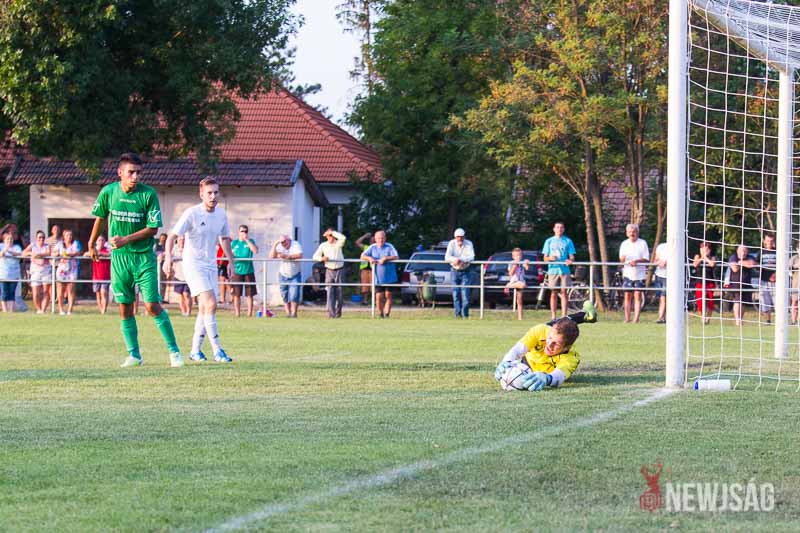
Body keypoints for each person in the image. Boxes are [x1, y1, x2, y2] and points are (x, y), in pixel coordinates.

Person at [88, 152, 183, 368]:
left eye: (139, 172)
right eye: (131, 172)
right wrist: (91, 243)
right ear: (120, 172)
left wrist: (125, 239)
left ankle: (174, 352)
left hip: (143, 258)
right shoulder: (108, 192)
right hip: (120, 259)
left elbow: (153, 228)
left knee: (152, 306)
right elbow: (100, 218)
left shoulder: (148, 194)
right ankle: (134, 355)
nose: (135, 177)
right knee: (125, 307)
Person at [164, 177, 235, 364]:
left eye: (216, 192)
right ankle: (217, 350)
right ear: (201, 194)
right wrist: (168, 257)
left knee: (205, 307)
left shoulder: (221, 214)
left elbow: (224, 239)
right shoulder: (192, 213)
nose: (213, 196)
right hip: (193, 264)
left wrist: (231, 261)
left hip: (210, 265)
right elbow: (172, 237)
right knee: (211, 303)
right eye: (209, 193)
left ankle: (195, 350)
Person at [493, 301, 597, 391]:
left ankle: (585, 315)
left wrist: (547, 378)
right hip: (527, 362)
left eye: (556, 344)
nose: (549, 345)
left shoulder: (571, 357)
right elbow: (517, 350)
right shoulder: (541, 331)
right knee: (554, 324)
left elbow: (559, 376)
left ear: (567, 347)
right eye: (549, 338)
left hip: (545, 372)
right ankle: (583, 314)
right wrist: (506, 362)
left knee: (563, 326)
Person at [360, 230, 399, 318]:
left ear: (385, 238)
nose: (380, 240)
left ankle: (387, 314)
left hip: (390, 277)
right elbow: (362, 256)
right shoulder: (372, 247)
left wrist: (386, 258)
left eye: (382, 238)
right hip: (377, 278)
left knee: (388, 295)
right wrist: (369, 258)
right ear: (375, 239)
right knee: (378, 296)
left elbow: (396, 256)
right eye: (378, 238)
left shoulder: (389, 246)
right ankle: (380, 314)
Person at [542, 222, 576, 320]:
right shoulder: (549, 241)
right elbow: (545, 258)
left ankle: (564, 315)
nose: (559, 229)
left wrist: (570, 260)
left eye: (561, 227)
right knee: (553, 292)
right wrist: (550, 258)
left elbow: (572, 256)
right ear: (554, 229)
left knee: (564, 292)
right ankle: (553, 316)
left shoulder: (568, 241)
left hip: (564, 270)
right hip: (553, 270)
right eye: (557, 227)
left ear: (563, 229)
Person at [312, 228, 347, 318]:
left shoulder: (338, 243)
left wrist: (332, 232)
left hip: (339, 270)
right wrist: (321, 258)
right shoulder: (323, 245)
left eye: (331, 235)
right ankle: (331, 314)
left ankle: (338, 313)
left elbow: (343, 238)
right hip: (329, 270)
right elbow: (315, 256)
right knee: (330, 292)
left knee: (339, 292)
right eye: (328, 235)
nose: (330, 237)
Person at [619, 223, 649, 323]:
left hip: (639, 274)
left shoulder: (643, 243)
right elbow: (621, 259)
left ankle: (636, 319)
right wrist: (623, 260)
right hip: (628, 274)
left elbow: (646, 259)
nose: (632, 234)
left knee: (638, 295)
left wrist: (636, 261)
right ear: (627, 233)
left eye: (634, 232)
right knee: (627, 296)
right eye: (630, 232)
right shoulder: (624, 244)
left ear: (637, 232)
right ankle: (627, 318)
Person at [270, 234, 303, 317]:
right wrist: (275, 244)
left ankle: (294, 313)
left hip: (295, 274)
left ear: (288, 240)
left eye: (284, 241)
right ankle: (288, 313)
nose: (283, 244)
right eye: (281, 242)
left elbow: (300, 255)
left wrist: (288, 257)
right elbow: (271, 256)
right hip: (283, 274)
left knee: (294, 294)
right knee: (284, 294)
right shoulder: (279, 246)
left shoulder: (295, 244)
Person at [445, 228, 475, 318]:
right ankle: (458, 315)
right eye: (458, 237)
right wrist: (455, 260)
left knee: (465, 294)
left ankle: (465, 315)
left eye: (461, 237)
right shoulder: (451, 243)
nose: (460, 239)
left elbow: (472, 256)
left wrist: (462, 260)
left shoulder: (469, 243)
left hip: (466, 271)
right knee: (456, 294)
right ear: (455, 237)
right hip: (454, 271)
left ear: (464, 237)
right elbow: (447, 257)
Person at [230, 225, 259, 317]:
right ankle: (237, 314)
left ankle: (249, 314)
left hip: (248, 270)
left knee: (249, 294)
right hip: (237, 270)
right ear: (238, 232)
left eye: (246, 231)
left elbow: (255, 251)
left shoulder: (251, 241)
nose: (244, 233)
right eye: (242, 231)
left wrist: (247, 240)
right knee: (236, 294)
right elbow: (229, 255)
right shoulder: (234, 243)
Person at [726, 244, 756, 327]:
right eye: (741, 251)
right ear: (737, 251)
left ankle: (740, 319)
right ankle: (737, 320)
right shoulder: (733, 257)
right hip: (735, 284)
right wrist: (744, 263)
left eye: (745, 251)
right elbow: (734, 268)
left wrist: (739, 262)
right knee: (737, 301)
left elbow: (752, 264)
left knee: (743, 302)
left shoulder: (750, 257)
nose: (743, 253)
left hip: (747, 283)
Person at [23, 230, 53, 314]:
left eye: (43, 237)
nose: (41, 239)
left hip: (46, 271)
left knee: (46, 292)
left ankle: (43, 310)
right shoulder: (33, 245)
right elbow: (24, 252)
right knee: (35, 293)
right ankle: (39, 309)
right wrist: (31, 253)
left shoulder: (47, 246)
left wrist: (38, 254)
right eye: (40, 237)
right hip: (35, 272)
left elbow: (48, 253)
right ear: (36, 238)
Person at [54, 228, 82, 315]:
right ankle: (61, 310)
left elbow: (78, 252)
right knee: (60, 290)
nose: (69, 237)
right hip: (62, 269)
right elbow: (54, 253)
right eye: (67, 235)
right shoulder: (59, 244)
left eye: (70, 235)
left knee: (71, 290)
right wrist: (57, 254)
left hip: (72, 269)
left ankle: (70, 310)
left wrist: (67, 254)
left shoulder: (75, 243)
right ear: (63, 236)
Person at [84, 235, 112, 314]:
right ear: (96, 242)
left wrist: (101, 253)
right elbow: (85, 254)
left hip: (105, 275)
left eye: (102, 240)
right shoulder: (94, 250)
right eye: (99, 240)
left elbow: (110, 254)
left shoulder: (107, 249)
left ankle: (104, 310)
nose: (101, 242)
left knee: (104, 292)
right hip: (96, 275)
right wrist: (95, 252)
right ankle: (101, 310)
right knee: (98, 293)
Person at [692, 241, 717, 324]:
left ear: (709, 250)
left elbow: (712, 264)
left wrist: (706, 258)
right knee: (699, 301)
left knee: (710, 301)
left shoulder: (713, 257)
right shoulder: (697, 256)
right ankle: (702, 317)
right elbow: (695, 264)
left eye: (706, 249)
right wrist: (702, 258)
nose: (704, 251)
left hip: (710, 282)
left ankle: (708, 319)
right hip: (699, 282)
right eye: (702, 249)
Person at [168, 236, 192, 316]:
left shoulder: (189, 248)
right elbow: (168, 255)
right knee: (180, 295)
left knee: (186, 294)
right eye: (180, 239)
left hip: (188, 276)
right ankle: (183, 312)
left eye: (183, 239)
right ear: (177, 240)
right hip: (178, 275)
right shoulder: (174, 249)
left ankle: (188, 312)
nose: (182, 241)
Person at [504, 247, 529, 321]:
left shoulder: (522, 262)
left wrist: (526, 263)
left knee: (520, 300)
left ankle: (520, 318)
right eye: (516, 255)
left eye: (519, 255)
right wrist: (515, 265)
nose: (518, 257)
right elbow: (510, 273)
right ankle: (509, 285)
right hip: (514, 281)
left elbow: (527, 268)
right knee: (523, 285)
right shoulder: (511, 263)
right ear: (513, 256)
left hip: (521, 281)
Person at [0, 231, 23, 313]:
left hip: (14, 274)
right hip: (3, 274)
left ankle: (11, 310)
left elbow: (19, 254)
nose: (9, 240)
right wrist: (5, 249)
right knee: (4, 292)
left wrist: (9, 251)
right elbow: (1, 254)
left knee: (12, 292)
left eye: (11, 239)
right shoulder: (1, 246)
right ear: (4, 240)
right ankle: (5, 310)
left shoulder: (17, 247)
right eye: (8, 239)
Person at [758, 234, 777, 324]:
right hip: (764, 280)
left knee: (777, 300)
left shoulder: (777, 251)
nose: (769, 242)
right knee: (765, 300)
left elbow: (783, 264)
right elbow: (756, 264)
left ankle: (779, 320)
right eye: (768, 240)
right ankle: (768, 320)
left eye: (771, 241)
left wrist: (776, 274)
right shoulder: (761, 252)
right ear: (764, 241)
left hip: (776, 281)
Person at [355, 232, 374, 305]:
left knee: (373, 286)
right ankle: (365, 301)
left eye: (374, 241)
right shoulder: (366, 247)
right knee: (365, 286)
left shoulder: (377, 248)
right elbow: (357, 242)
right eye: (371, 241)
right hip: (365, 269)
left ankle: (374, 301)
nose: (372, 242)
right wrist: (365, 236)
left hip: (373, 269)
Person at [653, 241, 668, 324]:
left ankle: (661, 317)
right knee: (661, 297)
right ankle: (662, 317)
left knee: (664, 297)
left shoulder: (676, 247)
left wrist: (667, 263)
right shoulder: (660, 246)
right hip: (659, 275)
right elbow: (655, 260)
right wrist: (659, 262)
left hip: (669, 276)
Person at [155, 233, 169, 303]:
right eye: (162, 238)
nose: (163, 239)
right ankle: (157, 298)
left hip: (165, 265)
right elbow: (153, 254)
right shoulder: (156, 246)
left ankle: (162, 298)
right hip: (157, 265)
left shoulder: (167, 246)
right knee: (157, 281)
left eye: (164, 238)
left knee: (163, 282)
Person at [791, 243, 800, 325]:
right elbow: (788, 268)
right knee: (794, 302)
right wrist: (795, 266)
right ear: (797, 249)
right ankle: (794, 321)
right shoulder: (794, 258)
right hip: (796, 284)